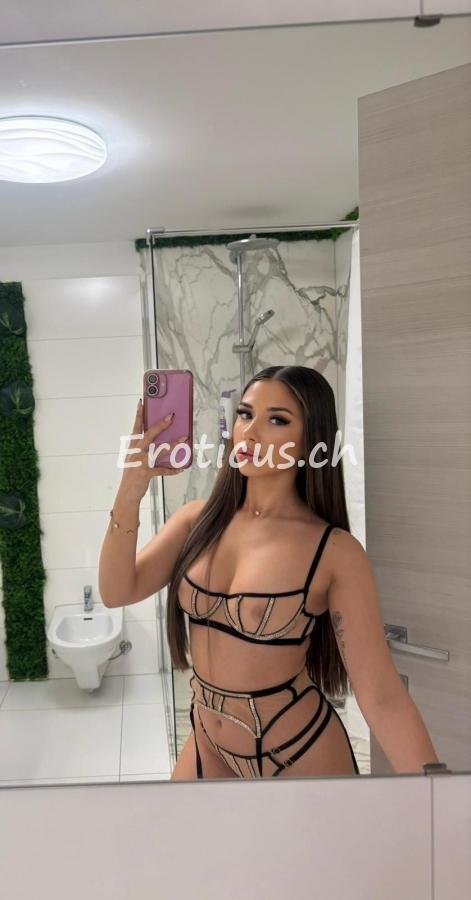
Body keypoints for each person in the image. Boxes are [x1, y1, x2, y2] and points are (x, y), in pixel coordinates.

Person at [99, 364, 439, 779]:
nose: (250, 432)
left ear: (310, 441)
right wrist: (131, 489)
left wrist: (437, 795)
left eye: (277, 420)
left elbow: (382, 695)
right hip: (208, 744)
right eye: (245, 414)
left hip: (297, 753)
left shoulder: (334, 551)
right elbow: (116, 591)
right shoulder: (195, 522)